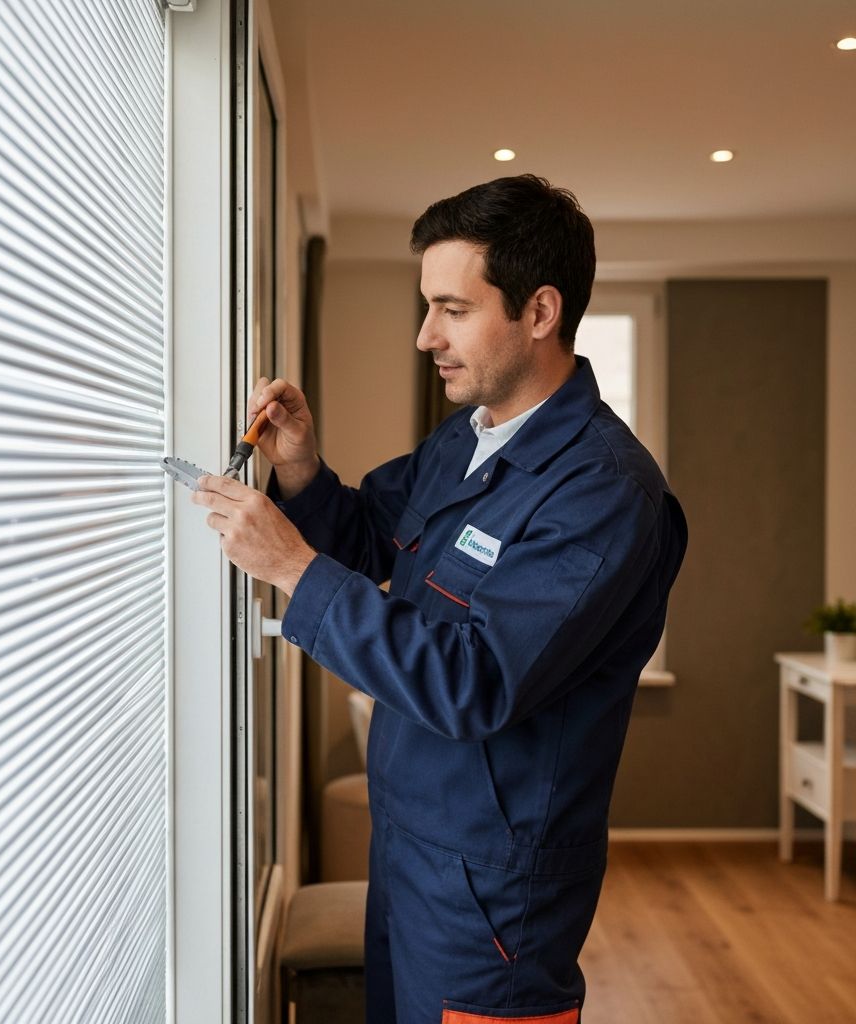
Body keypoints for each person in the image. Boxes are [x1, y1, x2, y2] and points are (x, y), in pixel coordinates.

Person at [192, 174, 687, 1024]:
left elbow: (475, 681)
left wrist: (293, 571)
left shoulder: (604, 492)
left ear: (539, 311)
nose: (427, 336)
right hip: (411, 852)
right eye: (428, 307)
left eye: (453, 309)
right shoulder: (471, 434)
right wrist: (301, 469)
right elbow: (370, 539)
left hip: (492, 897)